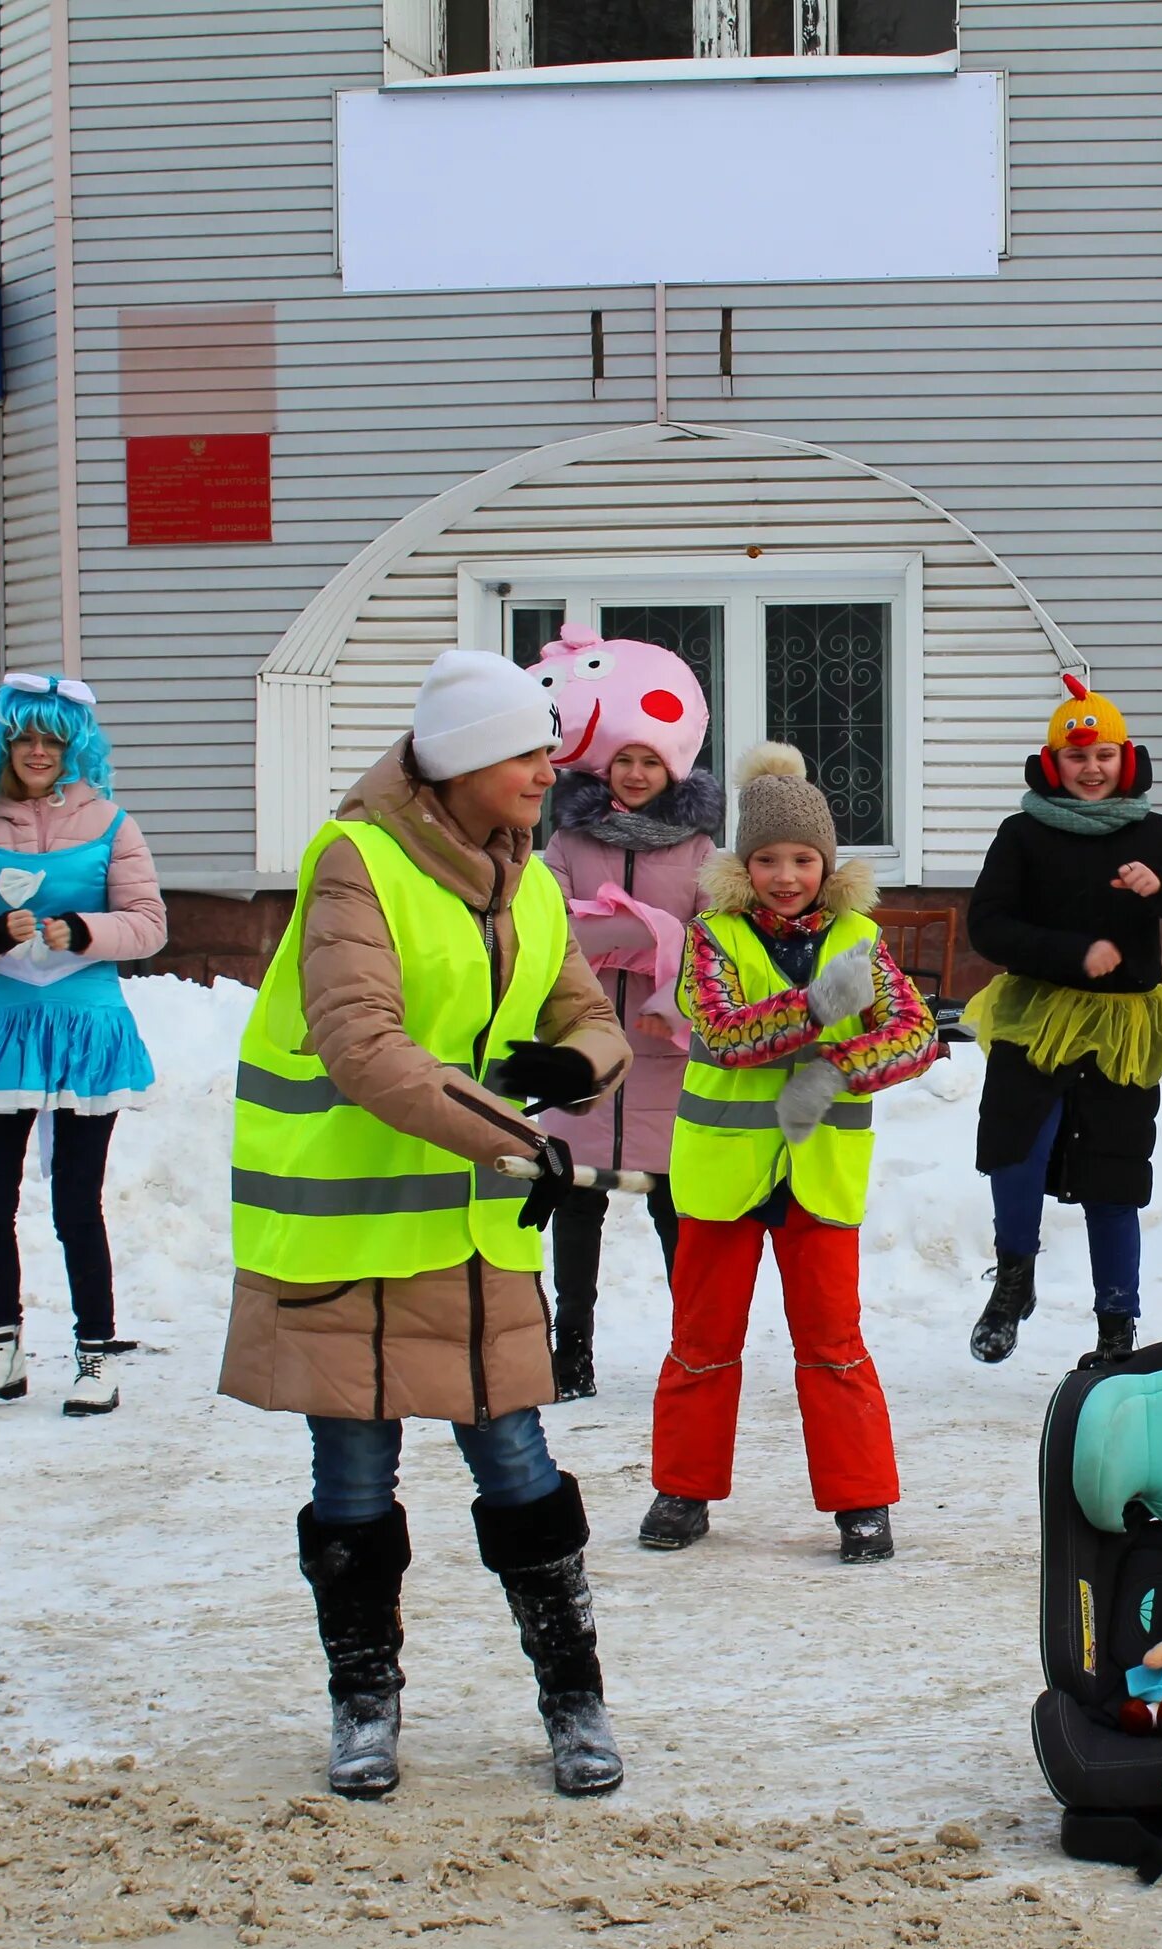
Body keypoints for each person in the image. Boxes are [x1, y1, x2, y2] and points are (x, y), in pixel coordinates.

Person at [220, 648, 633, 1800]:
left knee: (521, 1470)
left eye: (550, 748)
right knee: (353, 1480)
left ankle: (574, 1700)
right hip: (348, 1232)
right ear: (457, 762)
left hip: (471, 1232)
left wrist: (577, 1062)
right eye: (527, 750)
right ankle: (365, 1705)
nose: (550, 770)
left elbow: (589, 1014)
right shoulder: (356, 862)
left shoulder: (529, 879)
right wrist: (520, 1134)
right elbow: (361, 1040)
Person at [643, 743, 941, 1565]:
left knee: (834, 1343)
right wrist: (822, 1008)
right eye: (768, 858)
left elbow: (915, 1035)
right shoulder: (711, 937)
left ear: (827, 863)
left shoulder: (860, 937)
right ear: (744, 863)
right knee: (701, 1340)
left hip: (818, 1176)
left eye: (802, 859)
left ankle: (862, 1503)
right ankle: (682, 1488)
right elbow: (723, 1031)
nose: (785, 875)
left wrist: (838, 1068)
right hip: (721, 1175)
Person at [962, 672, 1162, 1364]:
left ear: (1124, 760)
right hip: (1037, 1017)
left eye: (1103, 754)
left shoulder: (1153, 833)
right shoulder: (1022, 835)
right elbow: (986, 927)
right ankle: (1013, 1284)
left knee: (1114, 1175)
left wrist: (1161, 886)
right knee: (1016, 1153)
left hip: (1123, 1027)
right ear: (1054, 763)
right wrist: (1072, 952)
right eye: (1076, 756)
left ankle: (1116, 1329)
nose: (1091, 768)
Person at [0, 673, 167, 1418]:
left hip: (87, 1030)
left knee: (76, 1200)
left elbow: (151, 923)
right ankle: (2, 1346)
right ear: (4, 744)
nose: (38, 752)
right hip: (4, 1032)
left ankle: (95, 1353)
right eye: (26, 738)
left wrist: (89, 931)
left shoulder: (112, 824)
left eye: (53, 741)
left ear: (75, 748)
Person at [529, 625, 722, 1400]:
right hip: (586, 1041)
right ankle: (570, 1350)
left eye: (650, 760)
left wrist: (657, 958)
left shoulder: (701, 849)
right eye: (623, 760)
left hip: (662, 1043)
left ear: (671, 767)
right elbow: (550, 923)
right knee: (576, 1206)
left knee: (676, 1207)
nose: (636, 772)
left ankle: (695, 1348)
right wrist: (642, 933)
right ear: (601, 764)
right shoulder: (570, 838)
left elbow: (710, 944)